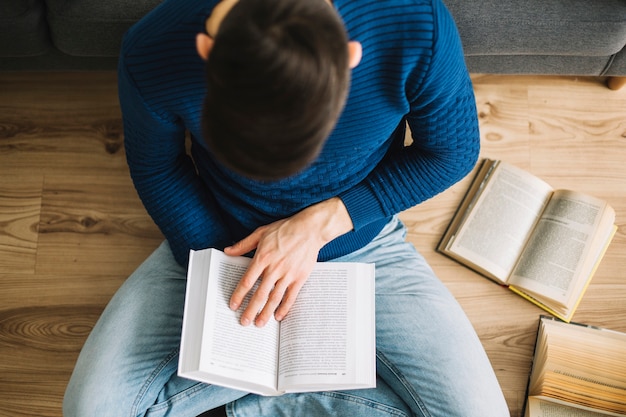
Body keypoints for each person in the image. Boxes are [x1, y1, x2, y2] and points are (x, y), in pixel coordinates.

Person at [63, 0, 511, 416]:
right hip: (219, 239)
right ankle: (303, 370)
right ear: (204, 50)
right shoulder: (155, 47)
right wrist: (232, 268)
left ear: (350, 56)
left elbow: (452, 152)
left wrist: (321, 224)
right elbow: (157, 169)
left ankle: (253, 402)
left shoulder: (415, 22)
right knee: (89, 409)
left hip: (358, 239)